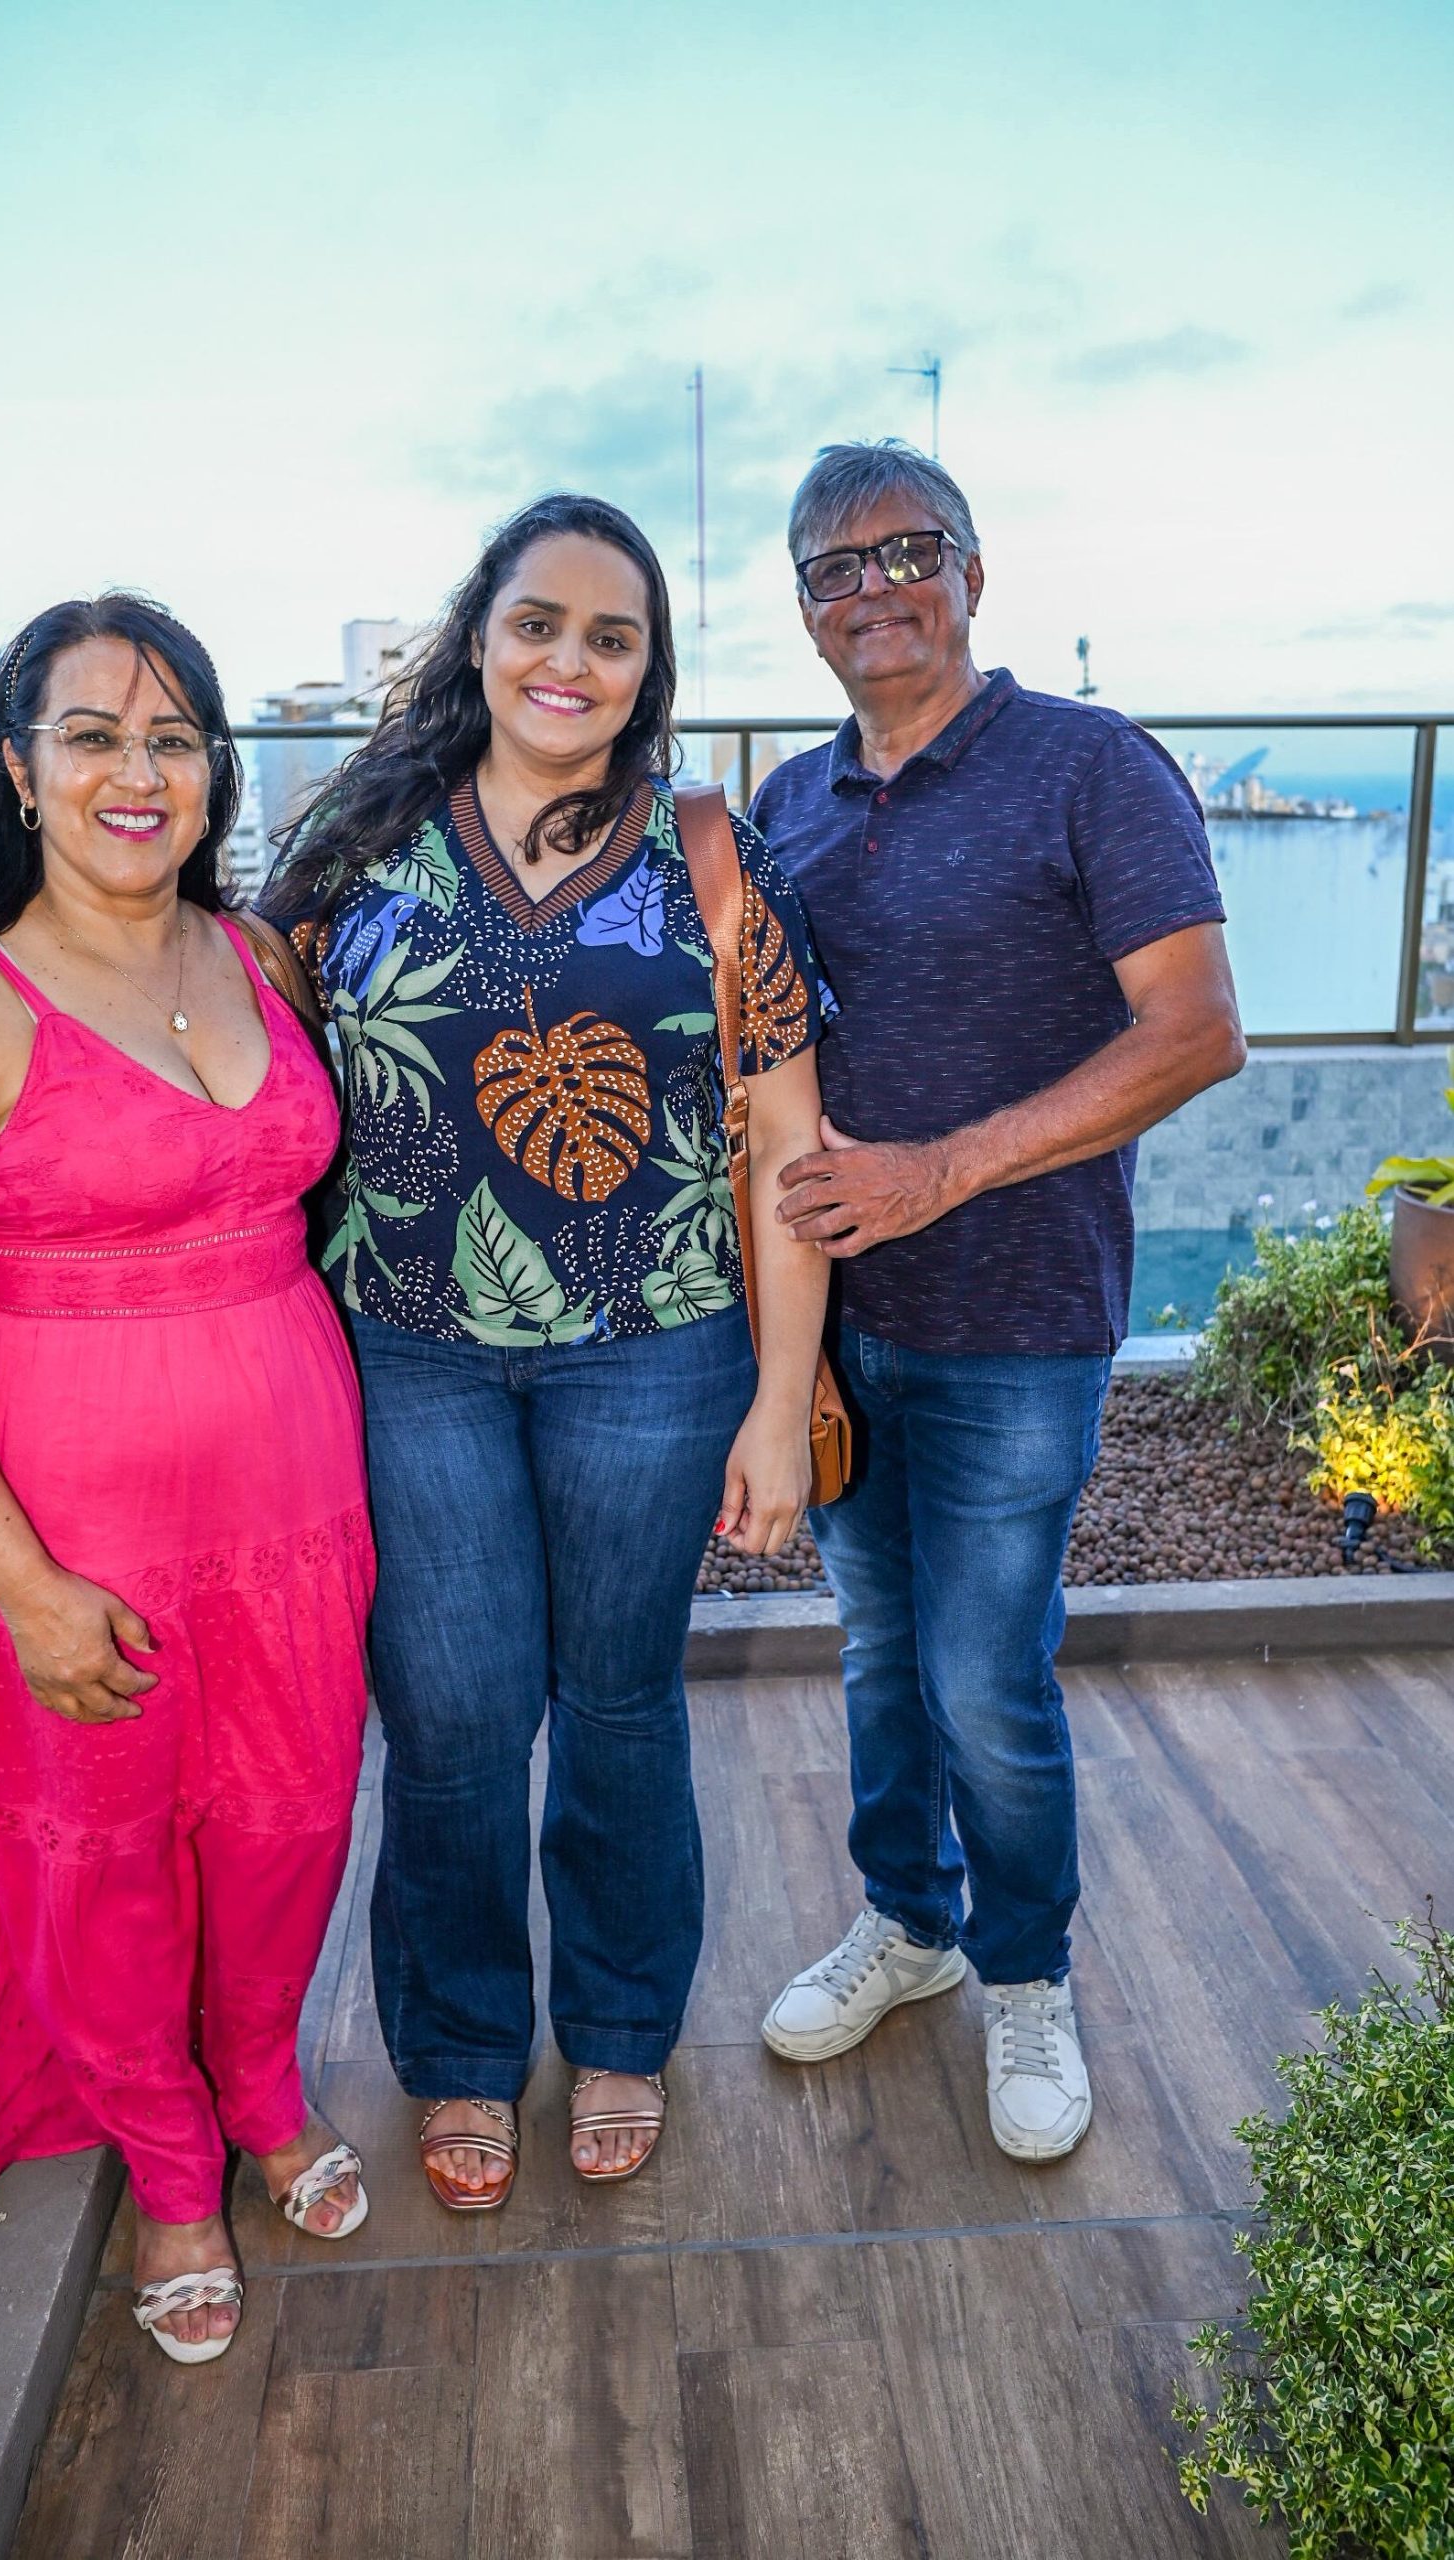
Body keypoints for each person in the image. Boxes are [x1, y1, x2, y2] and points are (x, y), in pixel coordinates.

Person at [257, 494, 832, 2208]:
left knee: (618, 1702)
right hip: (404, 1354)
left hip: (654, 1353)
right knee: (448, 1718)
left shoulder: (707, 858)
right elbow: (244, 1075)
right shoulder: (354, 843)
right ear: (480, 636)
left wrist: (780, 1407)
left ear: (648, 669)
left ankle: (623, 2027)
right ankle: (457, 2050)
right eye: (537, 622)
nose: (567, 660)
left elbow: (786, 1152)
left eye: (610, 635)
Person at [0, 594, 373, 2364]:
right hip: (70, 1526)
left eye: (170, 738)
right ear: (19, 767)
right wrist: (22, 1585)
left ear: (214, 771)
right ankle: (166, 2167)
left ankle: (262, 2088)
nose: (134, 773)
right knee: (106, 1860)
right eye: (91, 736)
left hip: (294, 1503)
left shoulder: (260, 956)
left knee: (292, 1819)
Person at [751, 442, 1245, 2160]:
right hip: (840, 1322)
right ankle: (910, 1925)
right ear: (802, 610)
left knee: (983, 1679)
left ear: (973, 570)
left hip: (1021, 1317)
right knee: (880, 1657)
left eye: (907, 551)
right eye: (833, 568)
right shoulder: (787, 806)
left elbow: (1196, 1031)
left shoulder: (1089, 766)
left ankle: (1025, 1973)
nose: (872, 588)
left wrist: (937, 1173)